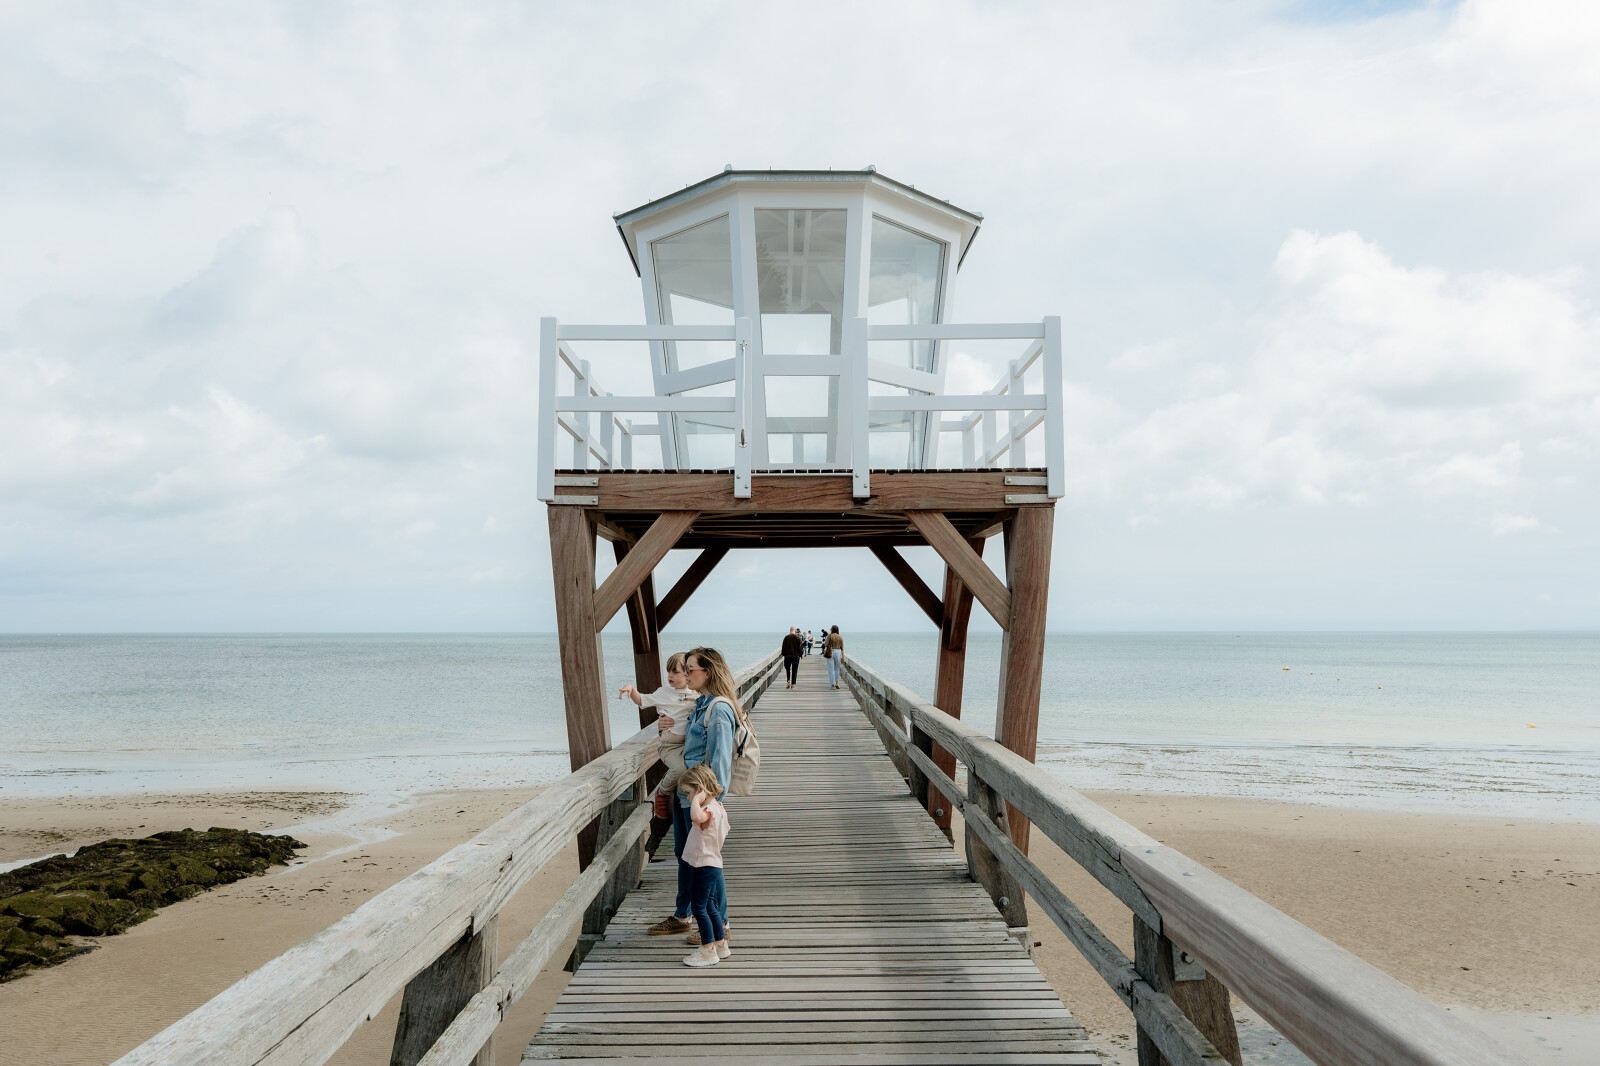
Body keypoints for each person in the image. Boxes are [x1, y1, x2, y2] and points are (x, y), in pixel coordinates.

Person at [647, 646, 744, 945]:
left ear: (708, 672)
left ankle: (721, 924)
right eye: (684, 669)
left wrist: (708, 808)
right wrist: (662, 725)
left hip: (700, 801)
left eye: (690, 669)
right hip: (685, 793)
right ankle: (683, 915)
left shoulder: (719, 710)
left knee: (707, 860)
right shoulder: (700, 703)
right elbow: (680, 734)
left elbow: (720, 768)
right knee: (686, 856)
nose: (685, 673)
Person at [618, 652, 698, 807]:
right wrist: (631, 689)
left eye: (675, 672)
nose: (670, 675)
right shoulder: (663, 693)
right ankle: (663, 791)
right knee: (680, 769)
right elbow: (642, 699)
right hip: (669, 746)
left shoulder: (696, 694)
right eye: (668, 671)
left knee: (690, 773)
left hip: (688, 745)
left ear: (688, 673)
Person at [677, 763, 731, 967]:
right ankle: (721, 943)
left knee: (699, 907)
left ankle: (708, 949)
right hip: (713, 863)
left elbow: (696, 817)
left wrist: (697, 801)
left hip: (703, 865)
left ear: (700, 789)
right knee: (710, 905)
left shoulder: (706, 809)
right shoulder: (719, 808)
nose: (688, 798)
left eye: (689, 793)